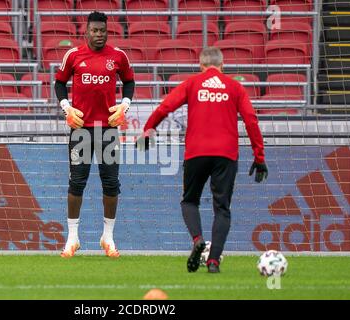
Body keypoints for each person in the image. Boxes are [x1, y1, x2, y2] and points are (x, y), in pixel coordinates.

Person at [137, 47, 268, 273]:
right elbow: (251, 120)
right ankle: (214, 261)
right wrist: (259, 156)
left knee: (189, 201)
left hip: (196, 153)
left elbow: (165, 106)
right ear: (223, 65)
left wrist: (149, 128)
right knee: (222, 208)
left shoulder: (193, 83)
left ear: (201, 65)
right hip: (226, 155)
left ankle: (197, 239)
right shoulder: (235, 87)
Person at [54, 11, 135, 258]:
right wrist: (66, 108)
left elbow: (130, 82)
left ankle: (108, 237)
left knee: (111, 184)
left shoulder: (118, 56)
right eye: (95, 31)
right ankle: (72, 238)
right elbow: (59, 83)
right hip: (80, 129)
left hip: (108, 130)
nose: (99, 35)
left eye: (103, 31)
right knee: (77, 183)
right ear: (86, 31)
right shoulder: (73, 55)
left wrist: (125, 105)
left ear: (107, 32)